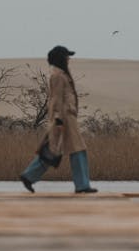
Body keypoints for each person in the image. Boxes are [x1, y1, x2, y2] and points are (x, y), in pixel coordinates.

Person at [20, 45, 98, 194]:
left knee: (54, 151)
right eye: (66, 56)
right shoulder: (57, 76)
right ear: (60, 58)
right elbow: (56, 99)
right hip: (64, 119)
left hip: (67, 118)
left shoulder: (61, 75)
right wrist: (58, 119)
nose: (69, 59)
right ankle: (82, 185)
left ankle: (29, 176)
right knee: (76, 150)